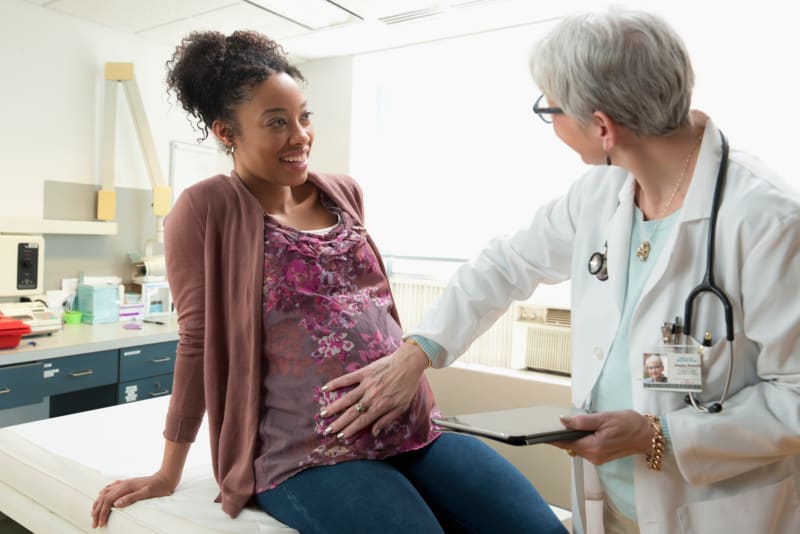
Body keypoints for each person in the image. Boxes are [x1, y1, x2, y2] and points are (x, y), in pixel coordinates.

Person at [320, 8, 800, 533]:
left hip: (719, 511)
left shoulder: (766, 219)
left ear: (602, 126)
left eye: (549, 108)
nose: (551, 123)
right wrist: (419, 351)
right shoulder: (602, 191)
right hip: (611, 501)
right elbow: (506, 263)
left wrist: (656, 434)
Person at [89, 30, 566, 534]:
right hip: (309, 451)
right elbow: (198, 341)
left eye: (304, 116)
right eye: (277, 122)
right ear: (227, 133)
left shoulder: (344, 192)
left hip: (415, 429)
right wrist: (170, 470)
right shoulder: (206, 209)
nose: (300, 135)